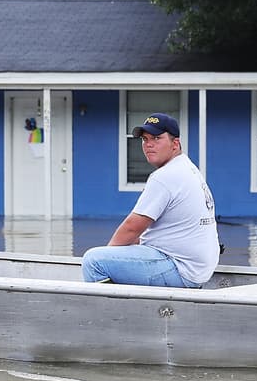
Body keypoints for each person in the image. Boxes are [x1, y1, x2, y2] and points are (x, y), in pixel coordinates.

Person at [81, 113, 219, 288]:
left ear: (175, 143)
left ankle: (115, 314)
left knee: (94, 262)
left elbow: (132, 227)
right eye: (145, 139)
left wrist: (109, 256)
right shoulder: (188, 168)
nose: (149, 145)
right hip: (197, 268)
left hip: (180, 268)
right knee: (127, 248)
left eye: (156, 138)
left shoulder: (165, 176)